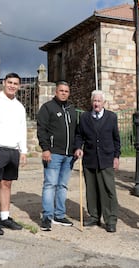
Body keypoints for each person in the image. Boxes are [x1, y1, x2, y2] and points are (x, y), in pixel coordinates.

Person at [0, 72, 27, 235]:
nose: (12, 86)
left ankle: (5, 217)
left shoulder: (19, 106)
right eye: (10, 82)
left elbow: (22, 129)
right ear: (4, 83)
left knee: (7, 184)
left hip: (13, 150)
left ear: (19, 86)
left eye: (15, 83)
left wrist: (23, 151)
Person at [74, 90, 121, 233]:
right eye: (94, 101)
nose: (96, 103)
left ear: (104, 103)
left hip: (106, 159)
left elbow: (116, 139)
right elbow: (79, 135)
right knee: (92, 190)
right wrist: (78, 147)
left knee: (108, 190)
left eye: (99, 101)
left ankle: (110, 220)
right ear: (91, 102)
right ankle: (94, 216)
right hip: (89, 159)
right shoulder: (84, 117)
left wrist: (116, 156)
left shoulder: (111, 117)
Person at [37, 80, 77, 231]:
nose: (64, 93)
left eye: (66, 91)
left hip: (69, 155)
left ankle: (59, 215)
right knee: (50, 185)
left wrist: (77, 148)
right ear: (56, 91)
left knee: (63, 186)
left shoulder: (72, 109)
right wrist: (45, 149)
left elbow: (77, 131)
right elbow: (42, 130)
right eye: (61, 91)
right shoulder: (47, 108)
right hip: (53, 154)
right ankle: (47, 216)